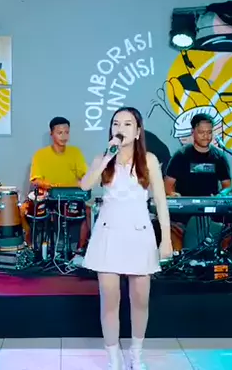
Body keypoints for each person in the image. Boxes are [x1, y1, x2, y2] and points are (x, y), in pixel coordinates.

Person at [79, 107, 172, 370]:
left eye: (128, 124)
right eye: (116, 123)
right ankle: (113, 358)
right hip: (108, 233)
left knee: (140, 299)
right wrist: (107, 157)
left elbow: (161, 202)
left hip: (139, 233)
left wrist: (165, 239)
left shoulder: (149, 160)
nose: (121, 128)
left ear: (138, 131)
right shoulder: (103, 157)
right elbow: (85, 185)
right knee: (109, 300)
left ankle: (136, 354)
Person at [164, 113, 232, 250]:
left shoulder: (219, 157)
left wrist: (222, 195)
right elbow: (168, 185)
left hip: (211, 205)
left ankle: (221, 255)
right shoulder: (181, 155)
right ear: (193, 132)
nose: (206, 136)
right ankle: (179, 258)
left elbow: (228, 186)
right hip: (185, 206)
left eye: (209, 132)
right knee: (173, 226)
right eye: (201, 132)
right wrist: (173, 194)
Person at [20, 116, 91, 249]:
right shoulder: (40, 155)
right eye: (60, 133)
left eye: (67, 132)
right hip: (49, 197)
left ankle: (79, 250)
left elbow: (86, 175)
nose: (64, 136)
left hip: (71, 198)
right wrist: (49, 186)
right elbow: (35, 180)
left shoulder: (75, 153)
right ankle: (30, 247)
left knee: (88, 211)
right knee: (24, 209)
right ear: (52, 133)